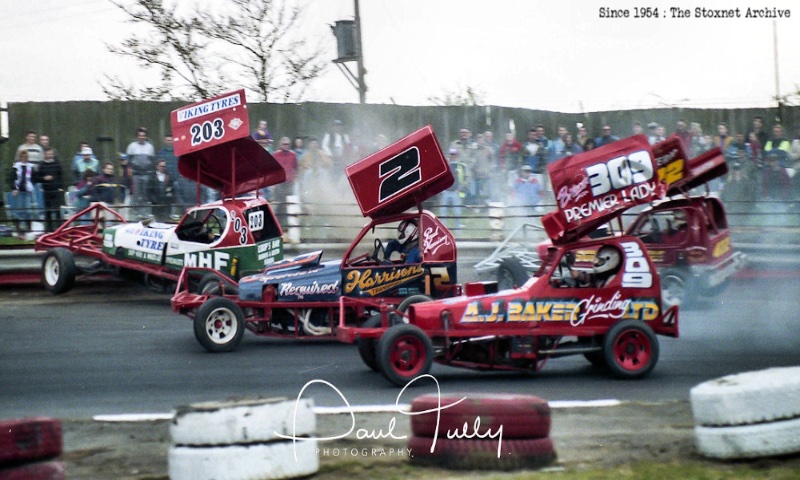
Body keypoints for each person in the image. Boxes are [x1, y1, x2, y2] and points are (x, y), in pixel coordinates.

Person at [126, 127, 155, 218]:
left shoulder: (150, 147)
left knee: (145, 194)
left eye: (143, 135)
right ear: (137, 136)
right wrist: (130, 170)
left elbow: (152, 161)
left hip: (146, 174)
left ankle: (144, 212)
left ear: (146, 136)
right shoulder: (132, 146)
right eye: (140, 135)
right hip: (135, 174)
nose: (141, 137)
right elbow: (129, 160)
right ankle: (135, 213)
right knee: (136, 193)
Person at [35, 147, 65, 233]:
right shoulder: (41, 165)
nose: (49, 155)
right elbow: (37, 178)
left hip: (56, 190)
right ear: (45, 154)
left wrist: (60, 187)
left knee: (57, 210)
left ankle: (59, 229)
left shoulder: (57, 163)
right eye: (48, 154)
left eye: (51, 154)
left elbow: (61, 176)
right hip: (46, 190)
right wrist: (44, 178)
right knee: (47, 211)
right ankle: (49, 229)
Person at [272, 137, 299, 225]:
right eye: (284, 144)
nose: (286, 146)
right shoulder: (275, 155)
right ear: (280, 145)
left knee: (289, 203)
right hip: (279, 182)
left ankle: (289, 223)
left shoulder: (293, 155)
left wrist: (294, 178)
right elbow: (272, 169)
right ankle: (278, 223)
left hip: (289, 182)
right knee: (280, 203)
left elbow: (296, 168)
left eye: (287, 144)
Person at [439, 148, 469, 229]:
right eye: (451, 154)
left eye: (454, 154)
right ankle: (443, 230)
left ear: (457, 155)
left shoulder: (462, 166)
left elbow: (467, 178)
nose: (453, 156)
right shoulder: (445, 164)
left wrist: (460, 188)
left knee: (457, 213)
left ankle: (458, 232)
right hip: (445, 191)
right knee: (443, 213)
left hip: (456, 192)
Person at [8, 150, 35, 235]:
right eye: (22, 156)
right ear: (20, 157)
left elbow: (33, 179)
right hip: (19, 190)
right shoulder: (16, 167)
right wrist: (15, 188)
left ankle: (29, 227)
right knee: (19, 210)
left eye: (26, 156)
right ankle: (19, 228)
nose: (24, 158)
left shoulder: (30, 167)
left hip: (27, 191)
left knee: (28, 210)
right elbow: (13, 179)